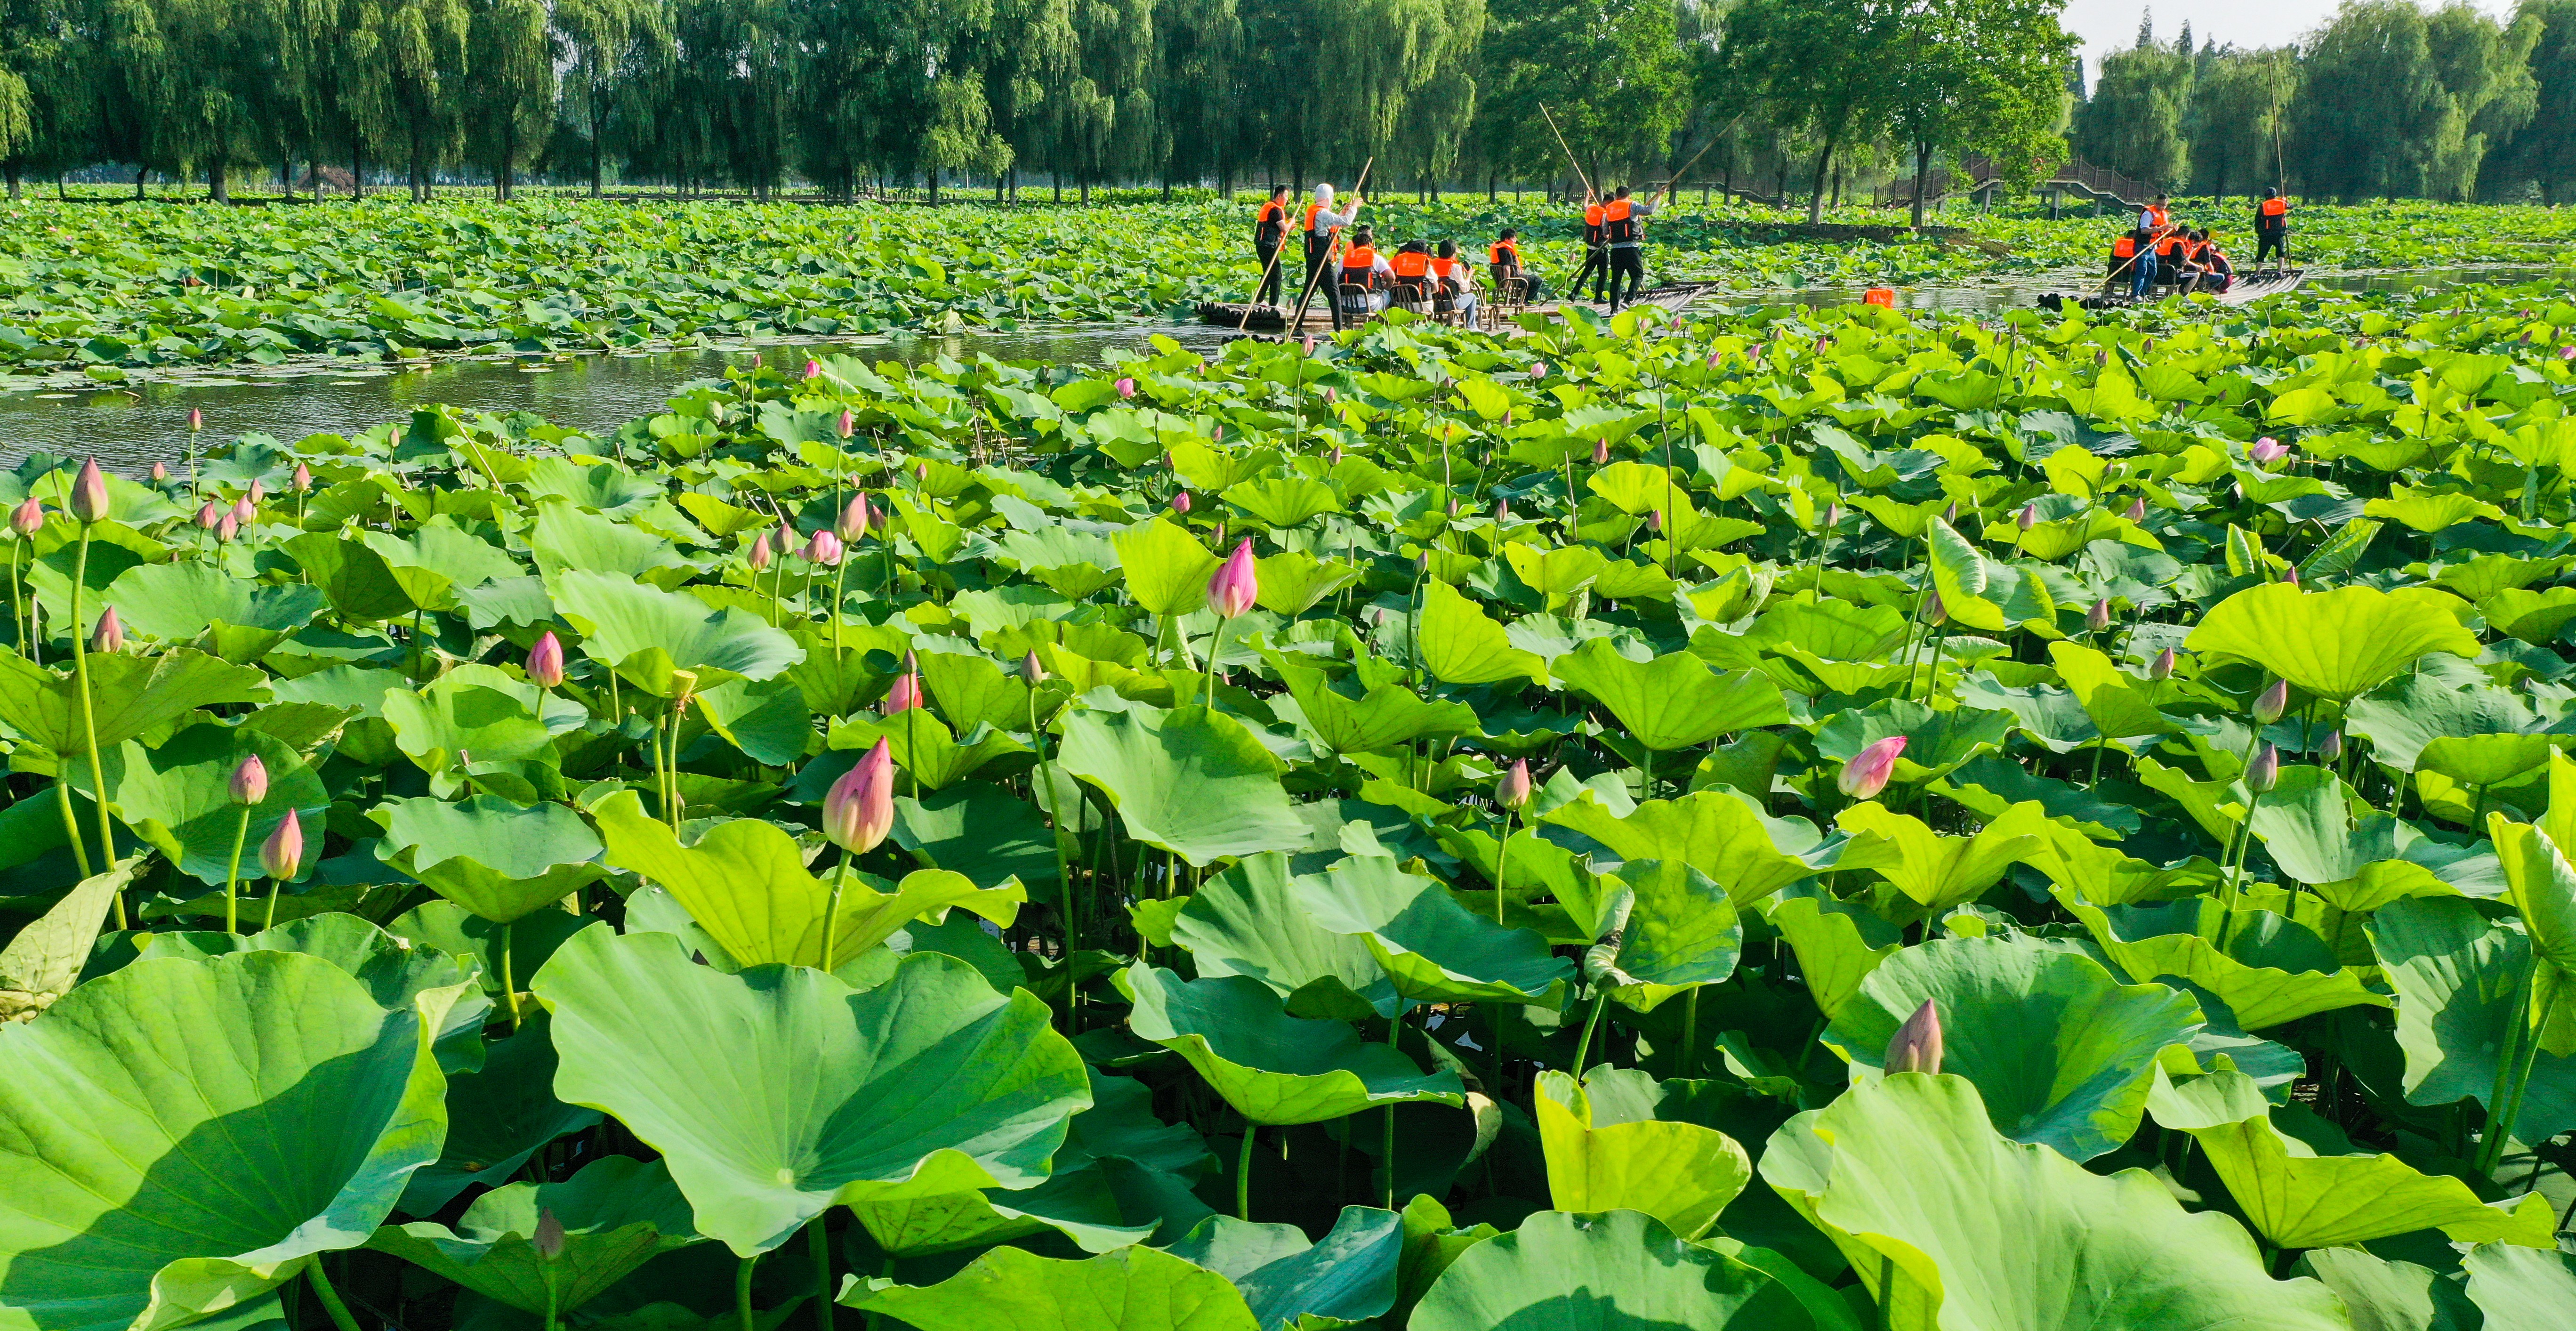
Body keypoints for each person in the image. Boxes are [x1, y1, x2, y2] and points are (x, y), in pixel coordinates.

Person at [1301, 183, 1366, 328]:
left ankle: (1298, 326)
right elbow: (1346, 222)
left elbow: (1333, 225)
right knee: (1334, 294)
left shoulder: (1313, 211)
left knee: (1308, 292)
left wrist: (1343, 212)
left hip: (1312, 257)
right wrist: (1354, 207)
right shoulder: (1323, 213)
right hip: (1323, 259)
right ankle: (1339, 329)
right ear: (1329, 198)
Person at [1602, 185, 1659, 312]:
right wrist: (1659, 196)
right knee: (1638, 275)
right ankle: (1629, 299)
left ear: (1617, 196)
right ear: (1628, 196)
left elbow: (1605, 233)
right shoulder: (1632, 205)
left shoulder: (1609, 209)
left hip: (1616, 250)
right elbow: (1649, 211)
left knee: (1616, 280)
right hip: (1631, 248)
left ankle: (1614, 309)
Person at [1335, 226, 1394, 318]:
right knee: (1388, 295)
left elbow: (1336, 280)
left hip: (1347, 306)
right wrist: (1387, 288)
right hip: (1370, 305)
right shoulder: (1375, 258)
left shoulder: (1344, 259)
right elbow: (1391, 277)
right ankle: (1382, 323)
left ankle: (1347, 323)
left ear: (1354, 245)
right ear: (1370, 244)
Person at [1252, 185, 1291, 307]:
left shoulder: (1269, 207)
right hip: (1268, 246)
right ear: (1279, 196)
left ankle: (1259, 300)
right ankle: (1274, 304)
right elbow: (1284, 228)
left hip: (1262, 245)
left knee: (1268, 273)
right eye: (1286, 196)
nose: (1287, 200)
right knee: (1277, 274)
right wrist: (1292, 223)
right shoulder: (1275, 210)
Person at [1568, 191, 1609, 303]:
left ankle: (1574, 293)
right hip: (1600, 248)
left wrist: (1587, 196)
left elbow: (1584, 207)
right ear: (1607, 203)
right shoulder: (1604, 214)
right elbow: (1605, 233)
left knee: (1587, 272)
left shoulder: (1591, 209)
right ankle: (1598, 298)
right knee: (1603, 274)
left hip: (1590, 247)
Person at [1431, 239, 1480, 324]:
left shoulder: (1431, 265)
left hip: (1436, 305)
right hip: (1452, 304)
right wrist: (1469, 276)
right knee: (1472, 297)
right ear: (1453, 254)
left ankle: (1451, 323)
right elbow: (1465, 289)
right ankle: (1471, 326)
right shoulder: (1455, 267)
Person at [1489, 228, 1543, 301]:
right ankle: (1525, 300)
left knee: (1530, 279)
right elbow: (1506, 268)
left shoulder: (1499, 249)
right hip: (1514, 280)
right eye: (1513, 238)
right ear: (1506, 239)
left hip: (1502, 281)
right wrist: (1507, 283)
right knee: (1538, 281)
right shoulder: (1506, 251)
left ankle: (1520, 299)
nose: (1515, 240)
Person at [2253, 187, 2291, 270]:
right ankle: (2280, 272)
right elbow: (2291, 207)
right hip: (2279, 233)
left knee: (2261, 255)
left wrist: (2259, 231)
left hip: (2266, 234)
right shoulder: (2281, 203)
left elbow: (2257, 219)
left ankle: (2257, 274)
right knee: (2280, 253)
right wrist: (2285, 201)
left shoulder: (2263, 205)